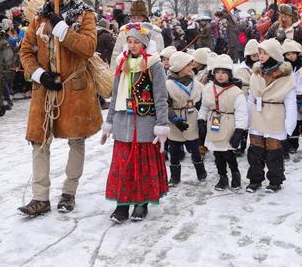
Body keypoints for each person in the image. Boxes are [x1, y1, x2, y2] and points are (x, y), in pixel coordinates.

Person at [19, 0, 102, 217]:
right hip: (44, 89)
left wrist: (62, 29)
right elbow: (26, 52)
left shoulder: (83, 14)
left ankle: (69, 192)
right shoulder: (37, 18)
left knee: (76, 140)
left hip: (74, 88)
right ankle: (40, 197)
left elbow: (88, 47)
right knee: (38, 141)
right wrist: (39, 75)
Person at [101, 22, 169, 223]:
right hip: (123, 123)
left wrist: (162, 124)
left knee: (142, 166)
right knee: (123, 167)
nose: (132, 45)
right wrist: (109, 122)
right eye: (129, 41)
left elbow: (161, 97)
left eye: (136, 42)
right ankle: (122, 205)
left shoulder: (154, 65)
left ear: (145, 44)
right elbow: (114, 96)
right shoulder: (121, 63)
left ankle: (141, 203)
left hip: (145, 123)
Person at [244, 39, 297, 193]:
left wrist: (290, 124)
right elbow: (251, 97)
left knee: (274, 152)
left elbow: (290, 101)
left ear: (273, 54)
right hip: (258, 116)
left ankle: (275, 180)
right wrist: (247, 120)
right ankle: (255, 179)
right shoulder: (256, 74)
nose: (260, 56)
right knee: (255, 151)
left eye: (264, 53)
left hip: (275, 116)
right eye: (259, 52)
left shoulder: (286, 77)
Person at [198, 54, 247, 191]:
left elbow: (242, 114)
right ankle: (222, 176)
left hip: (228, 124)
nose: (220, 75)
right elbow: (204, 107)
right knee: (217, 154)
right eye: (217, 72)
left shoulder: (236, 92)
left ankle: (235, 173)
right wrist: (201, 121)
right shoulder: (208, 88)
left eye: (224, 72)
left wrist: (239, 131)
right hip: (214, 123)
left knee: (228, 153)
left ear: (230, 74)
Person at [166, 51, 207, 186]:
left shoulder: (196, 85)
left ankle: (201, 172)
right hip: (175, 123)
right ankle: (175, 177)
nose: (191, 67)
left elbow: (202, 104)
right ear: (179, 67)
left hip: (191, 120)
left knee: (195, 150)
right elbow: (166, 105)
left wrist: (202, 119)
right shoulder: (168, 85)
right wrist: (174, 119)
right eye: (188, 65)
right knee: (174, 152)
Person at [110, 0, 164, 68]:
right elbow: (116, 54)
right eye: (134, 17)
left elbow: (159, 54)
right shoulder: (124, 32)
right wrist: (113, 73)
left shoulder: (154, 33)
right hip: (127, 69)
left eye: (139, 18)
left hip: (148, 69)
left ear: (144, 18)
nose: (136, 20)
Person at [282, 39, 302, 156]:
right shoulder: (284, 67)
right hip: (287, 97)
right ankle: (289, 143)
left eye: (292, 53)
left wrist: (301, 98)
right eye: (288, 54)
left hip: (301, 96)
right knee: (289, 121)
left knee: (298, 121)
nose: (291, 56)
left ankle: (296, 143)